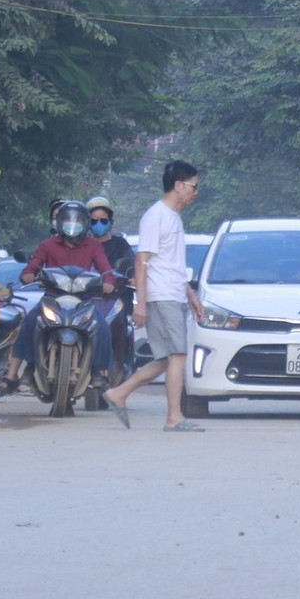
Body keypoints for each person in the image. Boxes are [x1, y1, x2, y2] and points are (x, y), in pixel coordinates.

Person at [106, 161, 206, 431]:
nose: (196, 192)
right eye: (194, 186)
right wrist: (141, 303)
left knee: (166, 358)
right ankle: (174, 418)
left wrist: (191, 295)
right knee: (177, 355)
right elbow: (142, 261)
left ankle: (119, 393)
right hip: (161, 296)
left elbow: (172, 264)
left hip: (173, 294)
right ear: (178, 185)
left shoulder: (173, 217)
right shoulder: (156, 216)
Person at [0, 200, 116, 394]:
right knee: (29, 322)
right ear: (59, 223)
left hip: (82, 299)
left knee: (103, 327)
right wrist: (28, 274)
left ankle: (100, 372)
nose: (73, 224)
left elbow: (105, 268)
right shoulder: (47, 245)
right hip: (52, 298)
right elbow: (34, 265)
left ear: (85, 223)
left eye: (78, 220)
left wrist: (108, 281)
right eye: (68, 220)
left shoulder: (93, 245)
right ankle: (14, 373)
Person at [86, 195, 136, 381]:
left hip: (115, 298)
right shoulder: (84, 244)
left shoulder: (120, 244)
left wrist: (132, 277)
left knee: (118, 324)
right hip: (88, 298)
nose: (98, 224)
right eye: (94, 220)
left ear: (110, 222)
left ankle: (119, 364)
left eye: (103, 220)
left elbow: (132, 265)